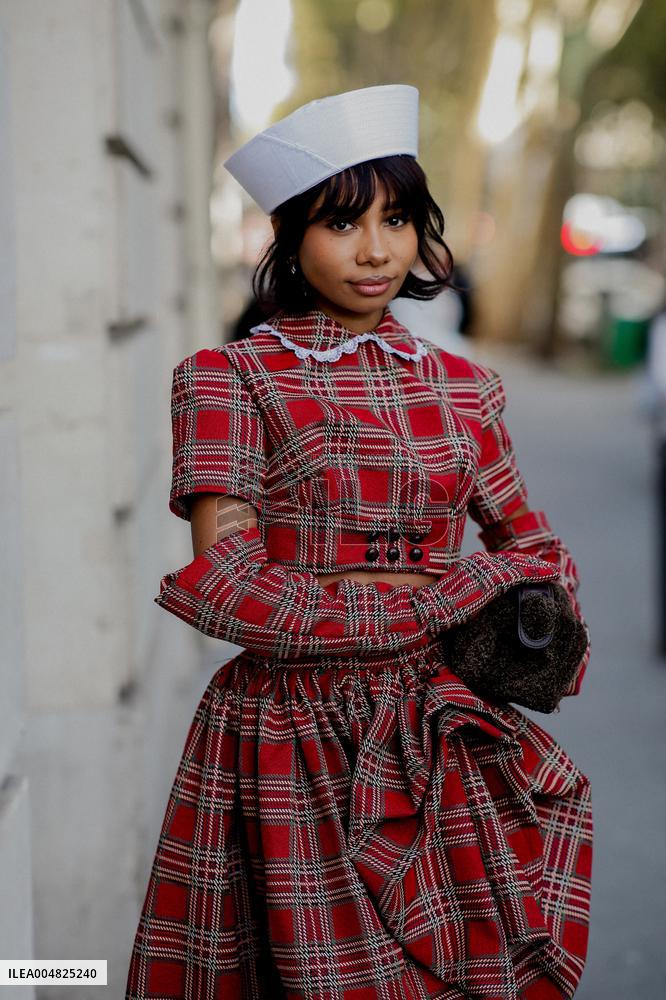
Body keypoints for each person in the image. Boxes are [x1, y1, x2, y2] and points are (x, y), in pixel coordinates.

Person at [125, 85, 592, 1000]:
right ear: (289, 234)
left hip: (439, 734)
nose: (377, 251)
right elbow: (230, 588)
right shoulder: (227, 379)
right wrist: (443, 597)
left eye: (398, 220)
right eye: (342, 224)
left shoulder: (465, 389)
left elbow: (538, 554)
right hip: (287, 736)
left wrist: (500, 598)